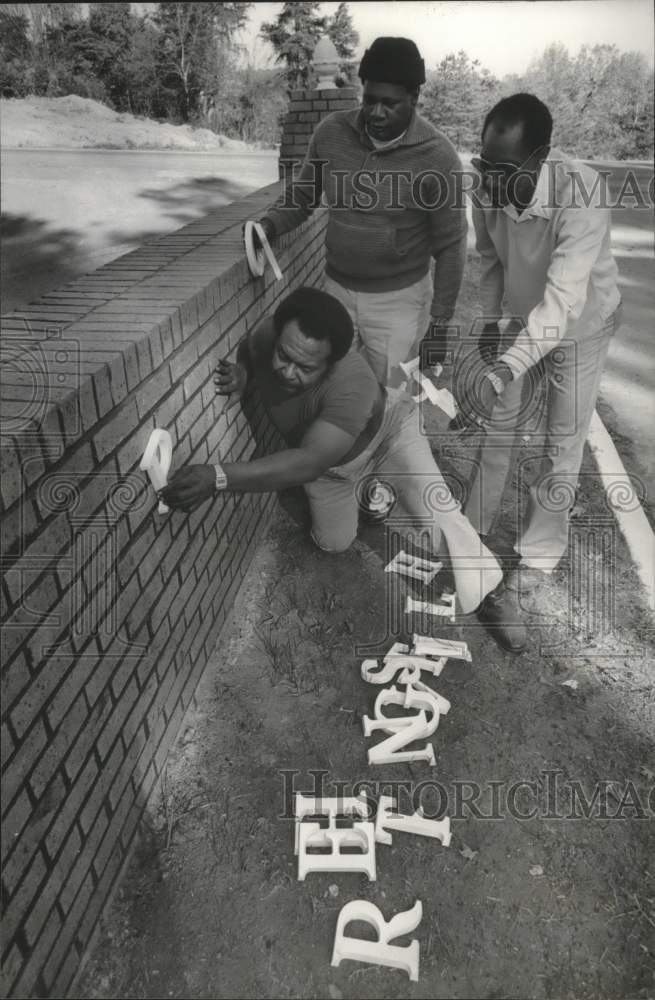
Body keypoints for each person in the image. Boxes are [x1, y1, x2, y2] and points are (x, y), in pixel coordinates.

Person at [161, 287, 526, 652]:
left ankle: (488, 588)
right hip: (334, 469)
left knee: (438, 511)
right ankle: (369, 494)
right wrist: (244, 374)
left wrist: (217, 476)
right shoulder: (267, 336)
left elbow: (308, 461)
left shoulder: (354, 384)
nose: (288, 371)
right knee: (333, 543)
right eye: (283, 357)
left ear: (331, 363)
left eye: (305, 368)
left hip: (388, 437)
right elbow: (251, 349)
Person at [452, 93, 622, 595]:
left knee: (560, 442)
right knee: (497, 426)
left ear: (542, 154)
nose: (493, 180)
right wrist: (489, 323)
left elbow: (564, 302)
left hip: (580, 326)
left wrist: (505, 368)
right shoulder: (486, 187)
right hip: (525, 319)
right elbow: (491, 260)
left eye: (504, 169)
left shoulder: (582, 193)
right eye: (485, 164)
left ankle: (538, 556)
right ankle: (472, 531)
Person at [254, 36, 467, 388]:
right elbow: (304, 194)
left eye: (390, 103)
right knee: (335, 390)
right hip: (337, 291)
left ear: (414, 99)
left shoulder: (438, 156)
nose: (376, 112)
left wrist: (440, 324)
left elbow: (452, 245)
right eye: (369, 99)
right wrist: (268, 226)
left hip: (398, 301)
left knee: (387, 397)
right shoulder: (332, 133)